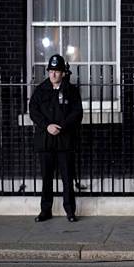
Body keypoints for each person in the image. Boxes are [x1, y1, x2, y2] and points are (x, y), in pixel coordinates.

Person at [29, 54, 83, 223]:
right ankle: (46, 211)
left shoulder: (71, 91)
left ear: (63, 73)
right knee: (46, 178)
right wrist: (47, 126)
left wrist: (62, 126)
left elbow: (77, 113)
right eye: (51, 71)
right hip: (45, 141)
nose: (53, 74)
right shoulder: (40, 90)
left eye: (57, 71)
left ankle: (70, 211)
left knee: (67, 178)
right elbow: (34, 111)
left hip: (65, 141)